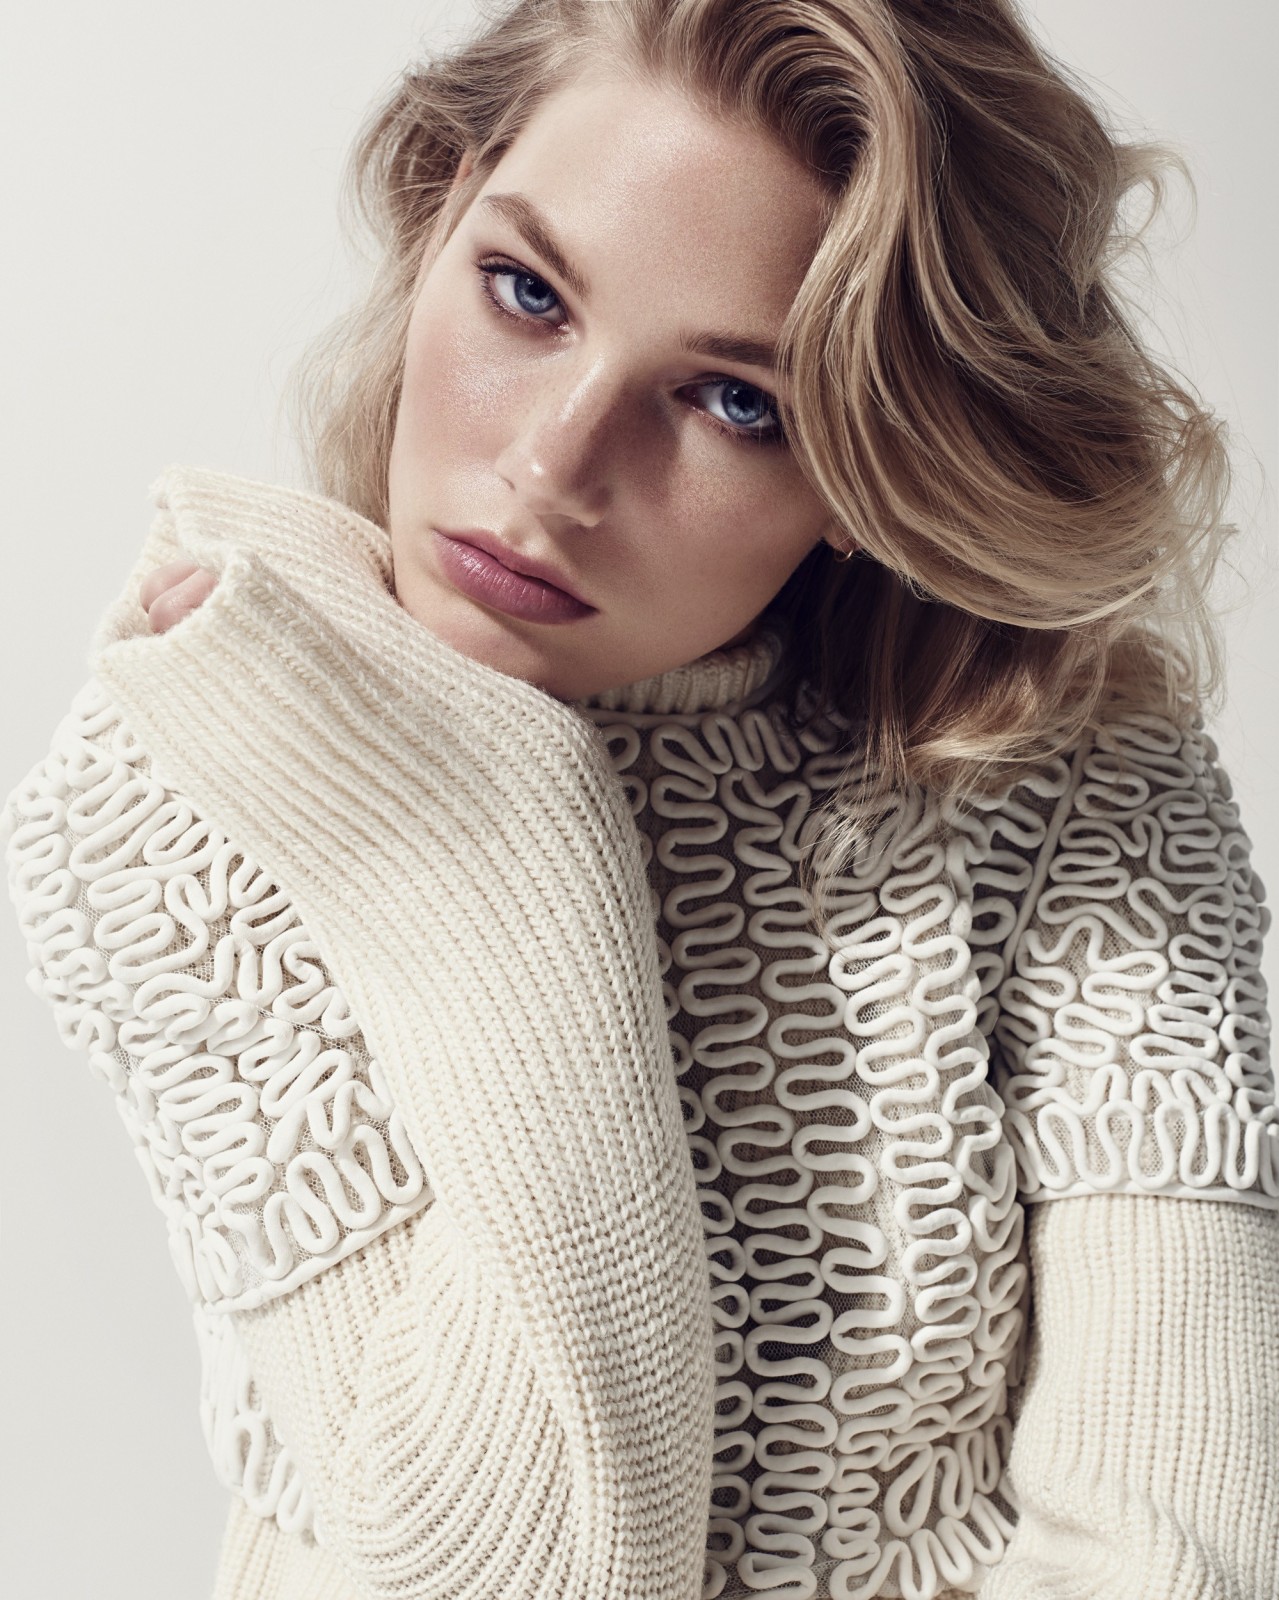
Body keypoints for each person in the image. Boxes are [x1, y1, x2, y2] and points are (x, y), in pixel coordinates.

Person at [3, 2, 1275, 1598]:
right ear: (441, 209)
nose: (552, 466)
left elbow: (1179, 1542)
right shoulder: (186, 780)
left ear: (867, 473)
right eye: (528, 292)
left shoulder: (1078, 773)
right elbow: (516, 1575)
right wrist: (481, 828)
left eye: (737, 402)